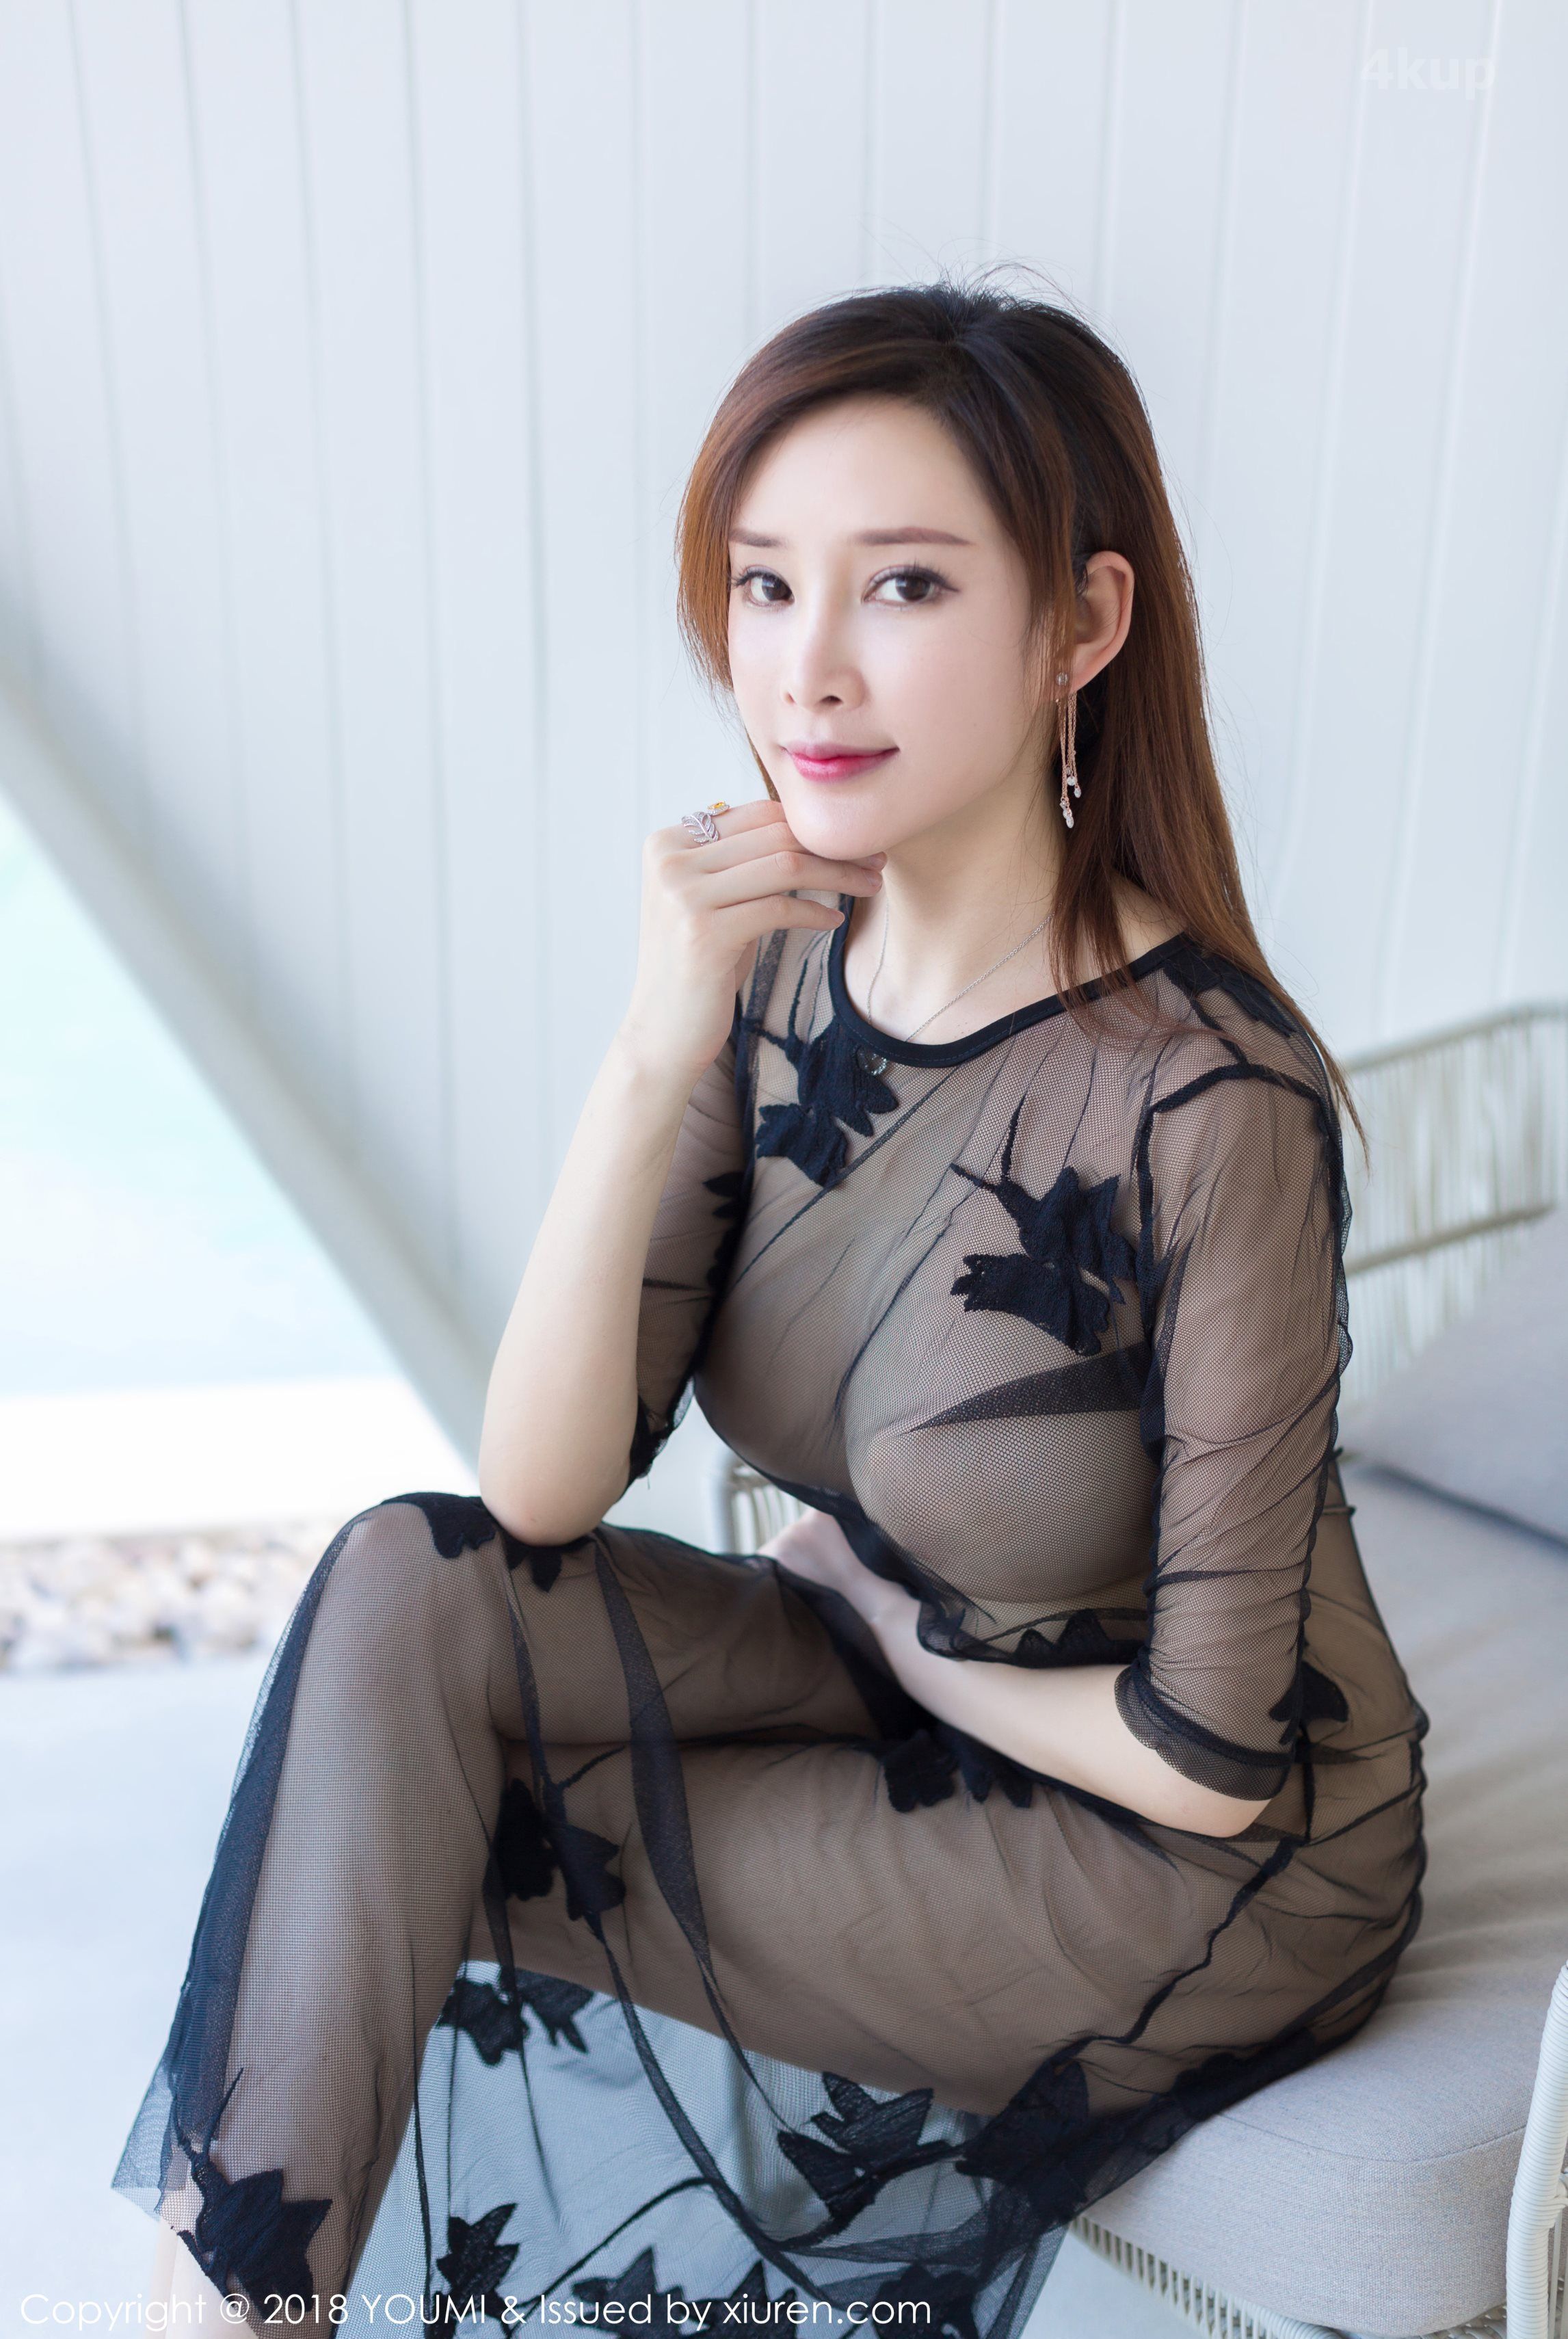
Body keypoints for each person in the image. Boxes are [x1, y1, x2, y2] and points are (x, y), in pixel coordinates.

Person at [124, 280, 1426, 2337]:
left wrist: (903, 1634)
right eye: (762, 583)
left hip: (1180, 1850)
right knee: (400, 1593)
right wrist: (656, 1039)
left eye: (903, 584)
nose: (805, 667)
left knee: (405, 1844)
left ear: (1082, 625)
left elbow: (1214, 1763)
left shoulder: (1208, 1101)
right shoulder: (781, 964)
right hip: (880, 1654)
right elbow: (534, 1496)